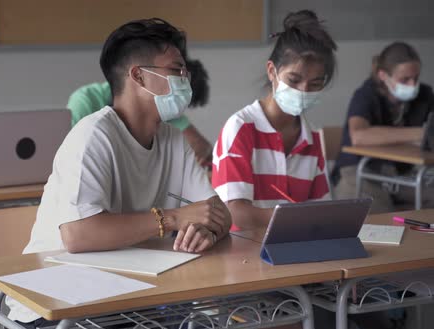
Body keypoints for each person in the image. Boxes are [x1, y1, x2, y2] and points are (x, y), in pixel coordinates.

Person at [7, 18, 232, 328]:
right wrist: (176, 218)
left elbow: (217, 211)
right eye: (176, 70)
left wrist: (206, 230)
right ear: (139, 76)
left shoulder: (172, 139)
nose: (185, 80)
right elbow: (77, 235)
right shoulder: (93, 135)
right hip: (54, 302)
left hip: (125, 291)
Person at [212, 10, 333, 231]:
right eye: (294, 80)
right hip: (243, 250)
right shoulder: (241, 128)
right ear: (272, 71)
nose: (304, 91)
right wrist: (297, 218)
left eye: (315, 84)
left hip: (294, 244)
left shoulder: (312, 136)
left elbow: (321, 208)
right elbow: (234, 213)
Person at [333, 41, 434, 213]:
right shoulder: (366, 95)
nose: (412, 85)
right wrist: (420, 133)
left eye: (415, 78)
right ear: (383, 75)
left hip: (401, 173)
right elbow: (359, 136)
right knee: (375, 218)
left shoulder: (424, 94)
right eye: (404, 79)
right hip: (360, 171)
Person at [67, 58, 213, 166]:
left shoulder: (162, 106)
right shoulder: (86, 101)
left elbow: (200, 145)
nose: (178, 104)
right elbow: (73, 153)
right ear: (138, 76)